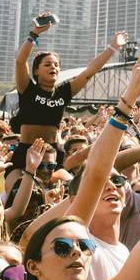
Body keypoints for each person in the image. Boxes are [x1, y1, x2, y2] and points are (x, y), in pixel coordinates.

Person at [8, 16, 128, 189]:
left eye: (57, 65)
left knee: (70, 189)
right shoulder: (27, 88)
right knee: (17, 191)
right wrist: (34, 34)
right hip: (26, 152)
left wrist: (113, 47)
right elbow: (20, 61)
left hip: (53, 155)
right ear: (36, 70)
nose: (54, 67)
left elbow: (90, 70)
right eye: (48, 64)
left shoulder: (64, 91)